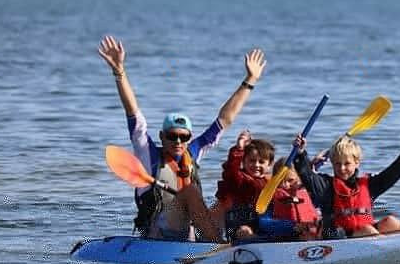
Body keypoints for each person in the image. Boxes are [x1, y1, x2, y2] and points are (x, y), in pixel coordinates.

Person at [98, 35, 266, 243]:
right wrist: (119, 72)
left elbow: (224, 119)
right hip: (158, 233)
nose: (178, 142)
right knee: (189, 192)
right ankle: (220, 247)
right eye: (172, 136)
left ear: (189, 138)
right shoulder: (148, 154)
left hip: (187, 230)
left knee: (226, 202)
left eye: (183, 137)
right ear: (162, 136)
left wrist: (250, 81)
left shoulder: (193, 153)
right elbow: (133, 114)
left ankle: (247, 237)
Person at [293, 130, 400, 238]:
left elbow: (390, 175)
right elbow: (308, 176)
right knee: (366, 230)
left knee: (390, 222)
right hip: (335, 236)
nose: (341, 168)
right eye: (337, 164)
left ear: (357, 162)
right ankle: (390, 256)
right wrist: (300, 153)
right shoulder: (326, 186)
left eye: (347, 163)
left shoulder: (367, 185)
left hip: (363, 235)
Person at [216, 130, 275, 240]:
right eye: (252, 161)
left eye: (261, 162)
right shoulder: (239, 179)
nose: (256, 165)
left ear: (270, 165)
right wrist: (239, 149)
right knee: (245, 231)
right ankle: (258, 241)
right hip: (239, 226)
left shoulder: (272, 182)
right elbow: (231, 171)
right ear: (244, 161)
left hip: (263, 223)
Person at [258, 157, 321, 241]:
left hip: (310, 236)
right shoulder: (270, 198)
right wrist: (292, 226)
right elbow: (264, 222)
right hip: (284, 238)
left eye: (290, 180)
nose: (285, 185)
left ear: (300, 179)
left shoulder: (309, 194)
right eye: (280, 180)